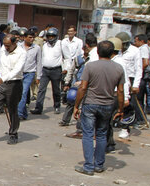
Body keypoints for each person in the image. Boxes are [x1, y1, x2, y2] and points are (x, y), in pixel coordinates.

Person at [72, 40, 125, 175]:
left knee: (88, 135)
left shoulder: (90, 66)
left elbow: (83, 87)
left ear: (97, 51)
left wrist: (76, 106)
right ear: (112, 53)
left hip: (90, 104)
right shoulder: (119, 68)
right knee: (102, 135)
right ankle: (98, 165)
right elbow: (120, 91)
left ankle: (88, 166)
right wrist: (120, 109)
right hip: (107, 105)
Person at [31, 27, 64, 115]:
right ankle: (38, 108)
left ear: (56, 36)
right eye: (49, 36)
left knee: (56, 90)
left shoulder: (60, 44)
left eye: (52, 36)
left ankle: (57, 106)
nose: (50, 38)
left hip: (56, 70)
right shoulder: (45, 45)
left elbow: (67, 57)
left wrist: (66, 69)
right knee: (41, 89)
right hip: (45, 70)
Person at [18, 29, 42, 120]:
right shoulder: (18, 46)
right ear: (24, 38)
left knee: (23, 93)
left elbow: (39, 62)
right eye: (30, 37)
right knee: (19, 93)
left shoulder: (37, 48)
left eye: (33, 37)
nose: (32, 39)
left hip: (30, 73)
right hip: (19, 73)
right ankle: (24, 113)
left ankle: (19, 114)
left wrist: (38, 76)